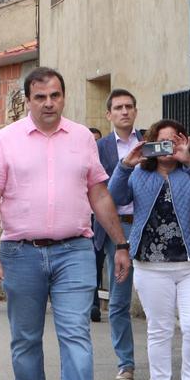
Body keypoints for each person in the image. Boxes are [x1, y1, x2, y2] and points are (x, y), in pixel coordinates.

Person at [0, 67, 129, 380]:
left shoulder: (81, 138)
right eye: (41, 96)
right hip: (21, 253)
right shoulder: (6, 140)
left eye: (55, 95)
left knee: (75, 331)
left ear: (64, 97)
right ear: (28, 100)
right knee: (25, 339)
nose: (49, 103)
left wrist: (120, 244)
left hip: (74, 250)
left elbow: (99, 194)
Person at [108, 119, 190, 380]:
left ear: (184, 142)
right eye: (162, 141)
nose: (168, 147)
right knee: (160, 329)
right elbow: (115, 197)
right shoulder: (140, 176)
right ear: (151, 145)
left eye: (175, 140)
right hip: (151, 265)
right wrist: (126, 165)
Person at [93, 89, 142, 380]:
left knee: (155, 295)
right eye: (118, 108)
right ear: (109, 115)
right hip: (118, 227)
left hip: (148, 225)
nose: (124, 112)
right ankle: (126, 362)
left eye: (129, 107)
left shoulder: (148, 142)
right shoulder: (101, 148)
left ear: (135, 111)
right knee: (120, 297)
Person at [88, 126, 105, 323]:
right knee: (91, 261)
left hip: (104, 217)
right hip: (87, 219)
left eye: (97, 141)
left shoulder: (106, 163)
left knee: (99, 262)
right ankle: (93, 304)